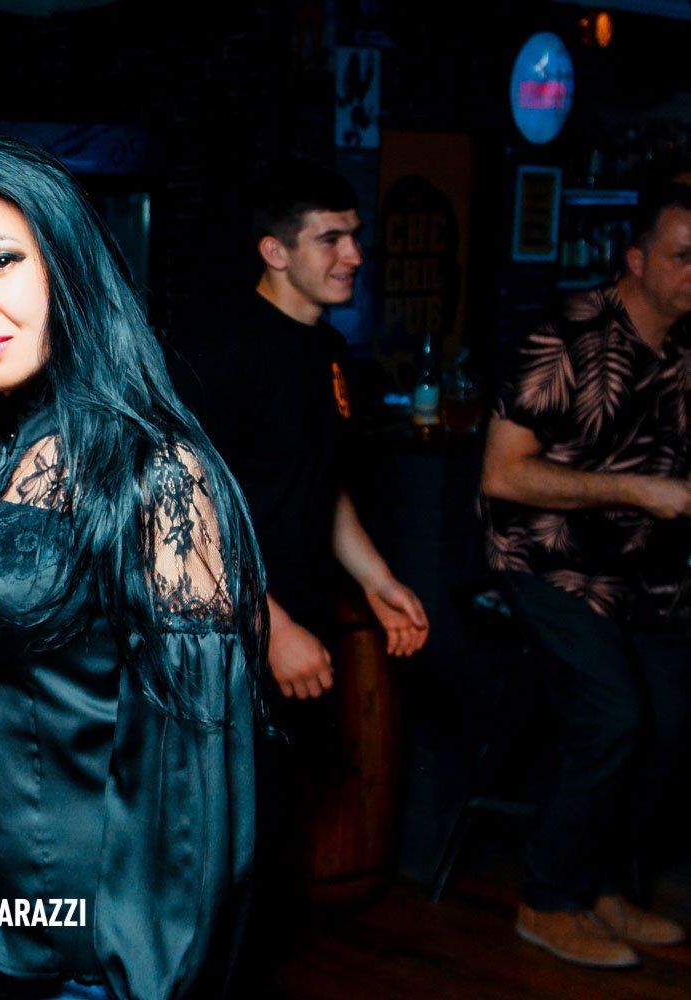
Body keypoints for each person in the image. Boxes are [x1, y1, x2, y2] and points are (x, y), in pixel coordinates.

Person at [0, 135, 268, 1000]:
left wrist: (142, 981)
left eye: (1, 261)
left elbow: (191, 796)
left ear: (65, 263)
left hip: (85, 961)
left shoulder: (156, 474)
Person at [171, 160, 429, 995]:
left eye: (354, 236)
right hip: (232, 632)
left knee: (280, 834)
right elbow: (187, 510)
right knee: (226, 845)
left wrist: (377, 578)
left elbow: (320, 484)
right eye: (332, 238)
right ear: (275, 251)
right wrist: (271, 625)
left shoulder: (326, 349)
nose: (354, 254)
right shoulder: (223, 352)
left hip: (302, 620)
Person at [480, 178, 691, 969]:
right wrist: (637, 490)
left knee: (671, 725)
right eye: (683, 256)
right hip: (550, 561)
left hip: (646, 570)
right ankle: (548, 900)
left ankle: (601, 885)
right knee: (613, 718)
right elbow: (503, 474)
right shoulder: (569, 336)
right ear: (635, 260)